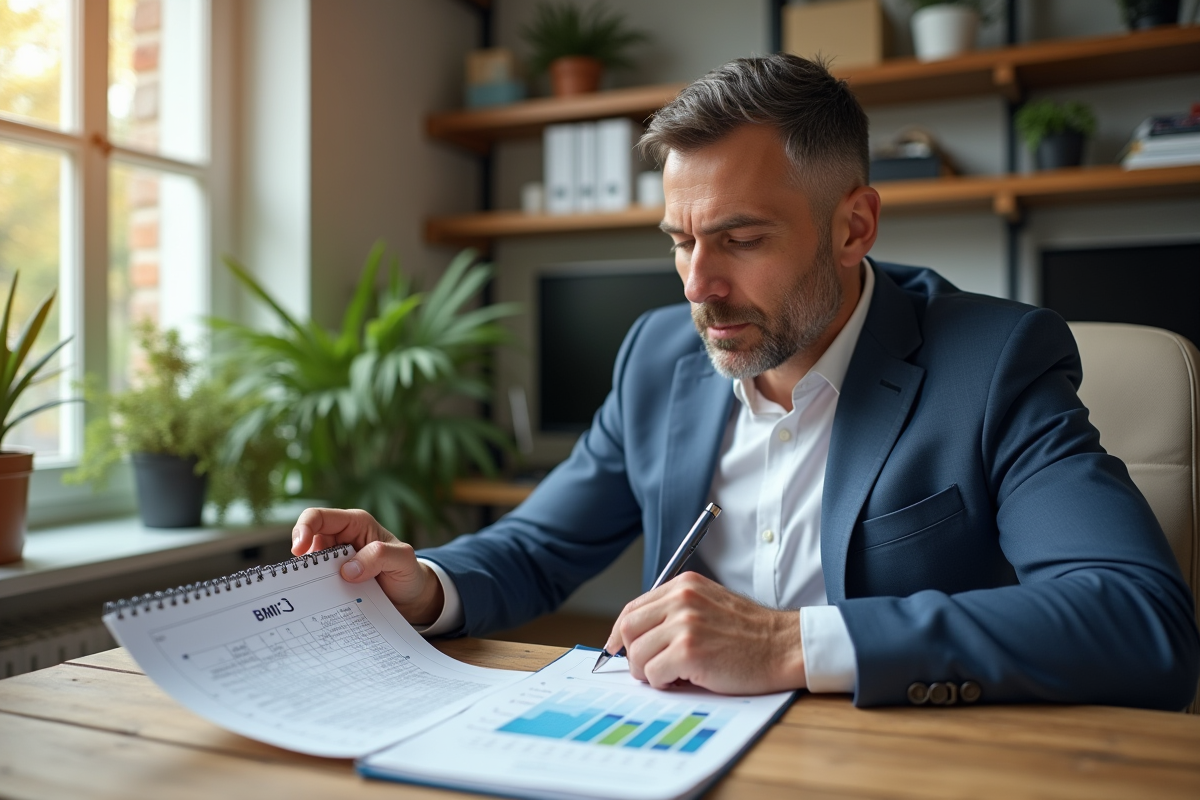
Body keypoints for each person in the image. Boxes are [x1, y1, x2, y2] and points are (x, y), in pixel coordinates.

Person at [291, 54, 1200, 709]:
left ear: (853, 227)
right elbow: (538, 549)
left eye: (740, 239)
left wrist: (786, 643)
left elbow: (1138, 620)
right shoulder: (658, 357)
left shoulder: (995, 362)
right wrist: (427, 583)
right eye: (681, 241)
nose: (697, 285)